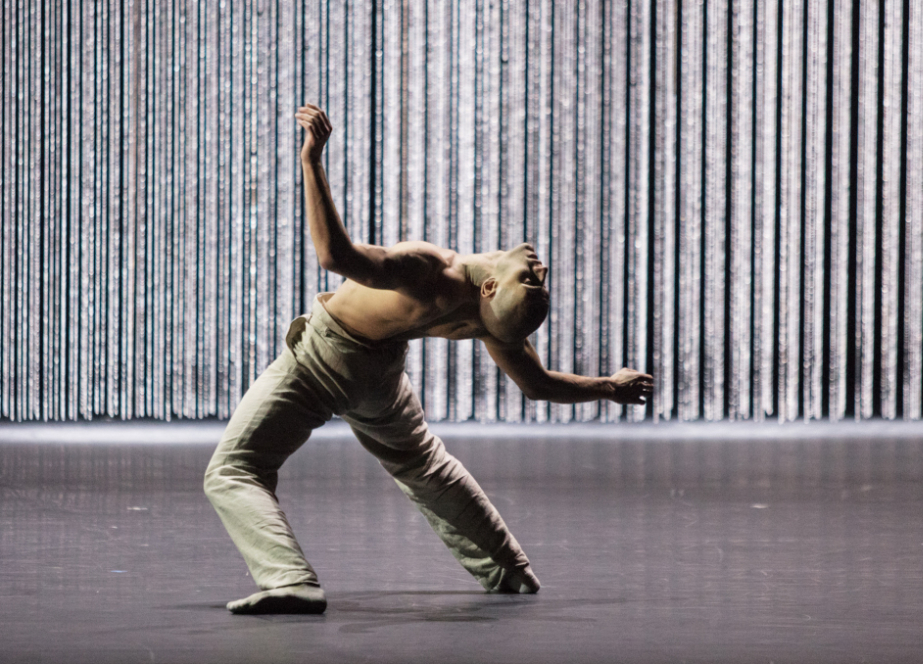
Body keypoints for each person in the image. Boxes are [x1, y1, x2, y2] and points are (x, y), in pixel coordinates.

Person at [203, 103, 654, 614]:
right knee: (423, 463)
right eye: (538, 279)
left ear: (489, 286)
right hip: (380, 375)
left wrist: (312, 160)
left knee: (234, 470)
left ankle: (290, 580)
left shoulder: (431, 269)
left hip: (326, 358)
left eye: (531, 279)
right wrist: (610, 386)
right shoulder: (490, 322)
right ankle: (509, 570)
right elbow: (539, 384)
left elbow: (335, 257)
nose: (540, 267)